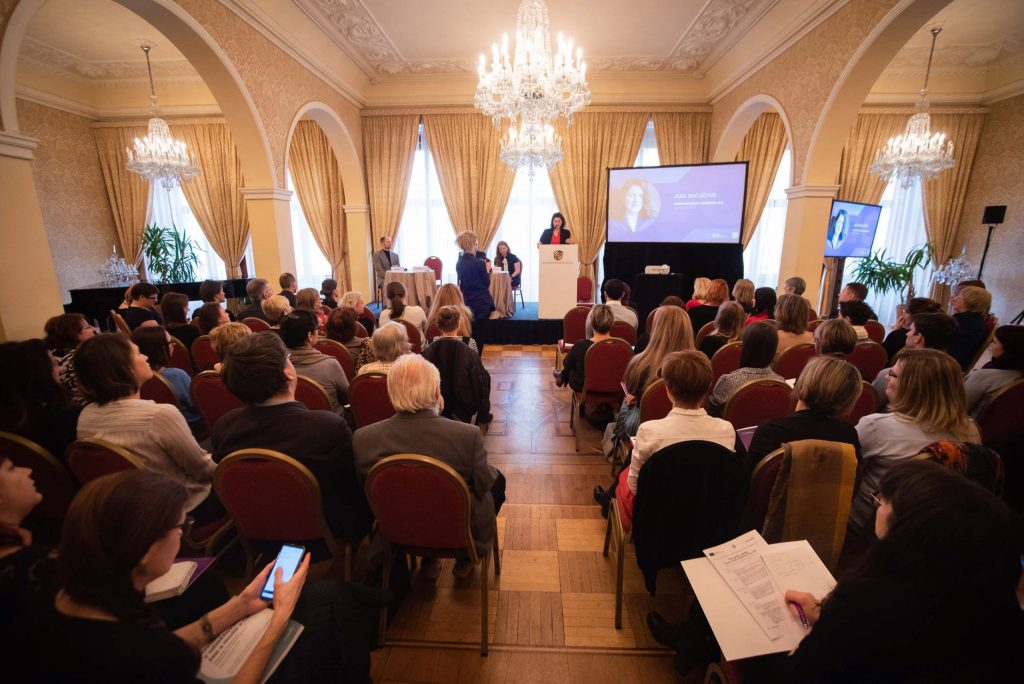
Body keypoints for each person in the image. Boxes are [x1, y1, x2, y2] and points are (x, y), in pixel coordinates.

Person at [36, 470, 320, 683]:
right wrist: (280, 618)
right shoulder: (143, 655)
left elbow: (163, 645)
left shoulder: (52, 589)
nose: (183, 534)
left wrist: (241, 604)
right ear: (148, 550)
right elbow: (156, 653)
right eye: (181, 526)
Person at [767, 460, 1023, 682]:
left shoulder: (866, 602)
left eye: (882, 500)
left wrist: (809, 645)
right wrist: (828, 620)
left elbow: (795, 674)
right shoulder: (991, 613)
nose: (877, 504)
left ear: (908, 528)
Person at [352, 354, 505, 579]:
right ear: (436, 392)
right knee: (496, 481)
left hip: (397, 530)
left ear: (391, 392)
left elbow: (367, 493)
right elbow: (483, 486)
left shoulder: (363, 438)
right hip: (457, 532)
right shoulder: (467, 435)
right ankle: (465, 557)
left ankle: (429, 559)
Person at [213, 333, 371, 542]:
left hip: (260, 533)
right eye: (288, 358)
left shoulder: (225, 427)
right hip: (328, 535)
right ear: (287, 373)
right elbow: (352, 490)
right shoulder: (327, 428)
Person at [73, 333, 221, 524]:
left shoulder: (86, 415)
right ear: (123, 368)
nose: (146, 357)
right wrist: (231, 466)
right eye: (138, 353)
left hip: (129, 511)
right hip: (181, 507)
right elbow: (202, 470)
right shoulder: (159, 415)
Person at [849, 348, 980, 532]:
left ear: (911, 387)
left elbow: (844, 473)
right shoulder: (971, 430)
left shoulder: (876, 427)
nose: (886, 377)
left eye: (893, 374)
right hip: (932, 530)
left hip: (866, 527)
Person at [613, 351, 736, 529]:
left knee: (624, 476)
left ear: (668, 389)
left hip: (656, 518)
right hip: (706, 518)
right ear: (709, 386)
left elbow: (635, 488)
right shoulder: (726, 430)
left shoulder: (649, 431)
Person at [604, 306, 695, 456]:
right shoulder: (698, 367)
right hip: (688, 431)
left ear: (656, 328)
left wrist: (639, 398)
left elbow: (632, 391)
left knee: (627, 400)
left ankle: (617, 440)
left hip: (643, 430)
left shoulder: (640, 364)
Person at [745, 356, 862, 471]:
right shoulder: (848, 436)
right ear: (849, 399)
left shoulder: (770, 432)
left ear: (801, 383)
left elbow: (750, 481)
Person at [0, 340, 80, 464]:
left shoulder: (8, 421)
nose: (60, 369)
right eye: (54, 364)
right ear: (40, 374)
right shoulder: (67, 416)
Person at [421, 306, 492, 425]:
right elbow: (478, 376)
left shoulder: (430, 343)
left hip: (436, 403)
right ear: (459, 324)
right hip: (463, 407)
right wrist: (483, 413)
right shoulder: (469, 343)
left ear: (438, 325)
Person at [870, 312, 959, 406]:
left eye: (910, 330)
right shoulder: (952, 374)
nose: (907, 333)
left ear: (918, 338)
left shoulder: (891, 375)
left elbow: (871, 404)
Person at [131, 327, 202, 430]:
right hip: (190, 425)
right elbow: (198, 404)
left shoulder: (135, 378)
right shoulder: (176, 375)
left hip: (156, 426)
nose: (174, 344)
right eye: (169, 343)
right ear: (158, 349)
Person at [279, 310, 349, 415]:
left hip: (292, 420)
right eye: (317, 329)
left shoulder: (276, 364)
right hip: (330, 421)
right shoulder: (329, 364)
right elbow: (347, 398)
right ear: (309, 336)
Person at [707, 322, 785, 416]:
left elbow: (711, 412)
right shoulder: (780, 383)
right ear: (773, 351)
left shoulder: (728, 381)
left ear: (745, 347)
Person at [964, 324, 1024, 417]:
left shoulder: (983, 377)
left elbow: (956, 408)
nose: (991, 345)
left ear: (1009, 349)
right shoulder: (1019, 379)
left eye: (995, 342)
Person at [556, 304, 615, 392]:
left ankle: (562, 376)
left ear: (591, 323)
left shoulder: (580, 346)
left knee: (572, 366)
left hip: (584, 389)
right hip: (614, 390)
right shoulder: (622, 347)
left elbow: (566, 363)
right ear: (612, 322)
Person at [44, 312, 95, 406]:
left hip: (65, 405)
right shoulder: (79, 358)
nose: (93, 329)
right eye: (88, 327)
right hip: (85, 406)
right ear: (75, 334)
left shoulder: (52, 353)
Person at [948, 284, 992, 371]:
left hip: (949, 364)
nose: (954, 299)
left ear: (969, 302)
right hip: (957, 363)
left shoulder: (964, 321)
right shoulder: (976, 319)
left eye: (959, 297)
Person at [455, 231, 495, 321]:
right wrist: (487, 270)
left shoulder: (459, 264)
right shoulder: (480, 263)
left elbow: (463, 283)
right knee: (482, 328)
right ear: (474, 245)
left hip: (466, 301)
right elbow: (487, 283)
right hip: (481, 302)